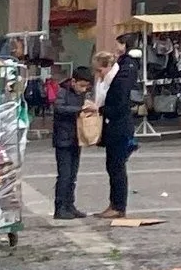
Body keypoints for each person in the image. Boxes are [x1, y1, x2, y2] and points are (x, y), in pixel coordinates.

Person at [96, 48, 140, 216]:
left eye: (100, 70)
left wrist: (100, 109)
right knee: (112, 167)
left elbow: (118, 107)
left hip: (120, 129)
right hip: (115, 128)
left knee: (117, 168)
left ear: (107, 66)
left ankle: (118, 206)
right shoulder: (112, 80)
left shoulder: (118, 81)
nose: (99, 75)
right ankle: (114, 204)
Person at [51, 68, 89, 217]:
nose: (83, 89)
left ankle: (70, 204)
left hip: (75, 138)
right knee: (64, 175)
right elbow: (59, 108)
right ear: (73, 82)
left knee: (73, 175)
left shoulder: (81, 94)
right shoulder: (63, 91)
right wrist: (79, 110)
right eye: (81, 86)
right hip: (63, 139)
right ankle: (60, 207)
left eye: (86, 87)